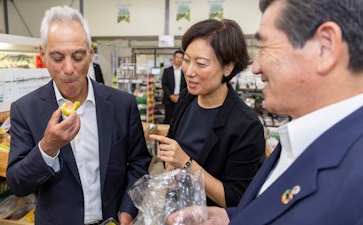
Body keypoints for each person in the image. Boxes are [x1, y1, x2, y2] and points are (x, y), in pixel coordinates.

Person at [167, 0, 363, 224]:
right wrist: (228, 217)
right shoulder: (297, 141)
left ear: (325, 46)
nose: (256, 67)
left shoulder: (355, 172)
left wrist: (187, 164)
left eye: (265, 48)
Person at [6, 5, 151, 225]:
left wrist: (127, 209)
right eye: (57, 58)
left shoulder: (123, 104)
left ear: (91, 53)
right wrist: (48, 147)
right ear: (42, 54)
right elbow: (18, 184)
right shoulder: (26, 110)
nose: (69, 69)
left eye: (78, 56)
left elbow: (139, 162)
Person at [150, 19, 266, 208]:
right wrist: (170, 167)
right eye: (187, 60)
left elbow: (236, 198)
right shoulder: (188, 97)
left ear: (228, 67)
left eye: (201, 64)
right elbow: (174, 141)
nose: (189, 71)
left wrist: (186, 164)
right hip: (175, 209)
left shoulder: (245, 125)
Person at [161, 50, 187, 124]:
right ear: (173, 59)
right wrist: (171, 96)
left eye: (181, 58)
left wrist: (180, 96)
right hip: (169, 100)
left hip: (181, 99)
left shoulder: (186, 71)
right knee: (168, 119)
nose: (179, 59)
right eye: (177, 57)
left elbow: (187, 86)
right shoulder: (167, 71)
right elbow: (164, 85)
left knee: (180, 119)